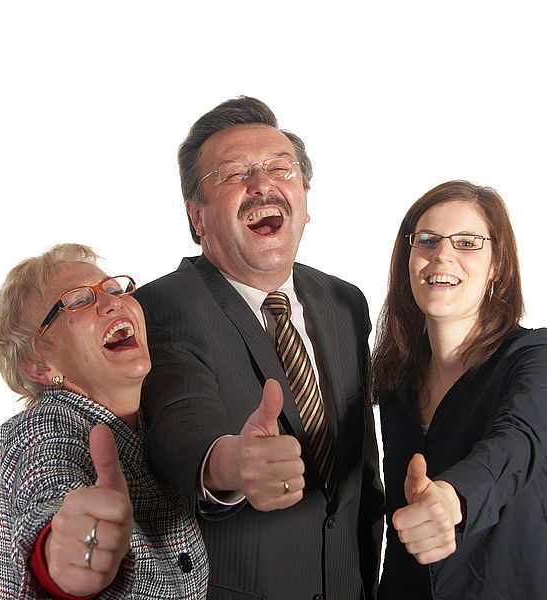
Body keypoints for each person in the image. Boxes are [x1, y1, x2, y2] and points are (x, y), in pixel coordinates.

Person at [135, 97, 384, 600]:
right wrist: (227, 465)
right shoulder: (161, 305)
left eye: (279, 168)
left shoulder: (345, 301)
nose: (261, 184)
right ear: (196, 217)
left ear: (306, 200)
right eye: (232, 174)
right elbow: (178, 417)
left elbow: (362, 468)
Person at [372, 181, 547, 599]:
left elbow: (518, 442)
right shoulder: (396, 380)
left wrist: (453, 499)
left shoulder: (538, 356)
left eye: (467, 242)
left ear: (497, 266)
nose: (442, 255)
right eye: (427, 240)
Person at [0, 243, 208, 599]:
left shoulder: (160, 419)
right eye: (77, 301)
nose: (113, 303)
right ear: (40, 366)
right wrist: (64, 554)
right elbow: (49, 486)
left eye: (115, 290)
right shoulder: (43, 427)